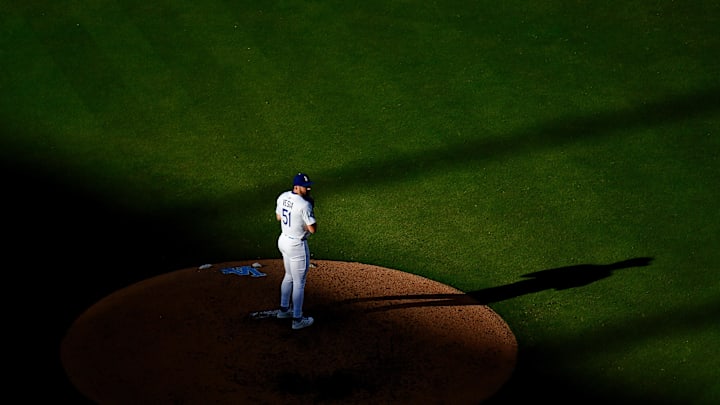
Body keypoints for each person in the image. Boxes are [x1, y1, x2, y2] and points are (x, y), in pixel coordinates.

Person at [274, 172, 317, 330]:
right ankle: (298, 319)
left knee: (289, 276)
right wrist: (305, 217)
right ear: (296, 186)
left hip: (283, 240)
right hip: (297, 246)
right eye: (305, 187)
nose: (308, 189)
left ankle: (284, 310)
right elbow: (312, 229)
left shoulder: (283, 196)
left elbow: (279, 217)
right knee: (299, 283)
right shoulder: (305, 205)